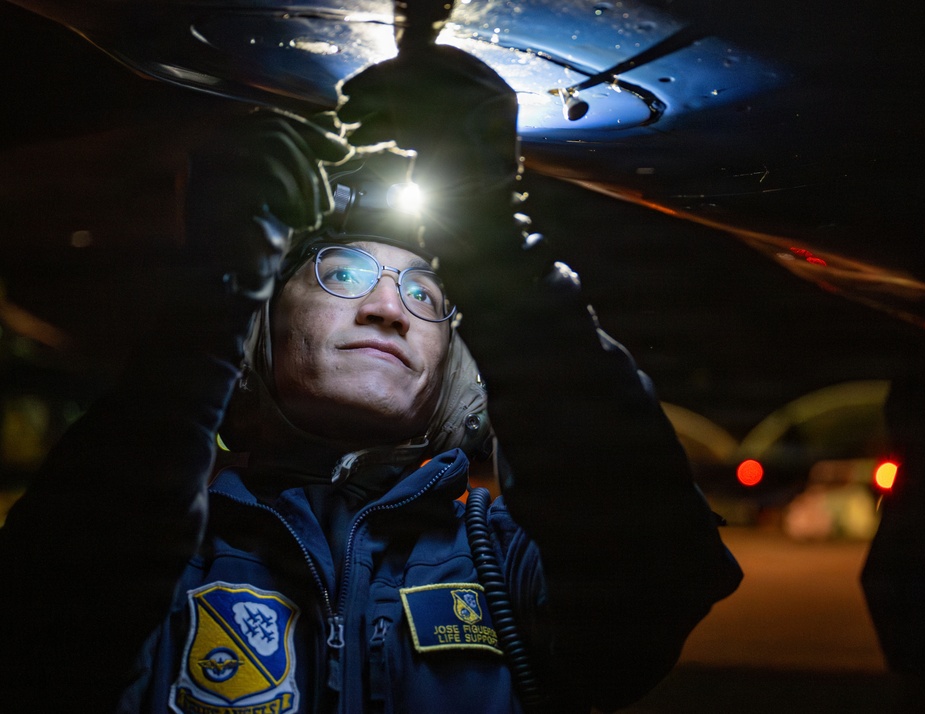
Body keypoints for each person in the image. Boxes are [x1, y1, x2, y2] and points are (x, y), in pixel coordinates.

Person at [0, 41, 741, 714]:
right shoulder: (159, 553)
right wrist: (216, 292)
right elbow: (50, 608)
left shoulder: (507, 563)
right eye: (344, 272)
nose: (390, 307)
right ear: (263, 320)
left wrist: (497, 247)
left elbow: (654, 563)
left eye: (426, 293)